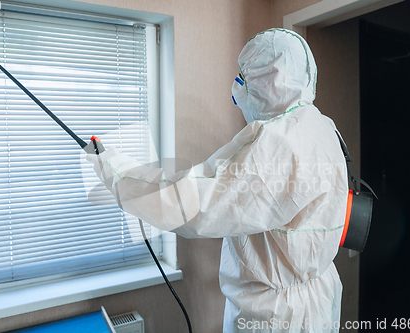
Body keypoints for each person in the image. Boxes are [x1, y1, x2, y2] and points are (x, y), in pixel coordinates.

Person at [86, 28, 348, 333]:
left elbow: (190, 203)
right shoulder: (321, 126)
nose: (238, 89)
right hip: (317, 295)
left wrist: (113, 169)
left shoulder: (276, 143)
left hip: (275, 316)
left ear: (270, 79)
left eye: (245, 79)